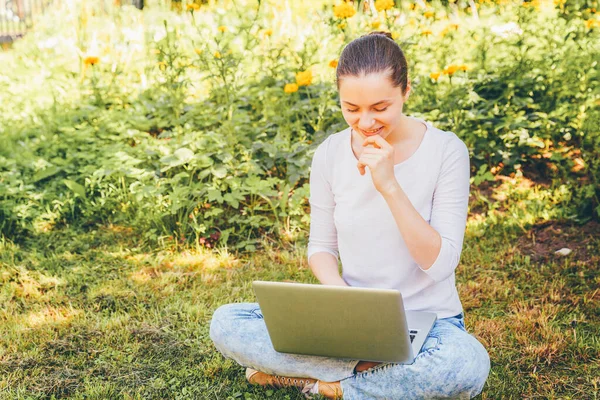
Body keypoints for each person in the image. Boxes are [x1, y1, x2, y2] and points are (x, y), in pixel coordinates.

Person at [209, 31, 491, 399]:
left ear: (406, 91)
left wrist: (389, 185)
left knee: (465, 362)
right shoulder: (329, 154)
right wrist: (343, 303)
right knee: (227, 322)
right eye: (351, 109)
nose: (365, 123)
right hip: (350, 320)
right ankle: (374, 378)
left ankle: (328, 384)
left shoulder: (446, 151)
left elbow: (439, 265)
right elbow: (321, 248)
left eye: (380, 108)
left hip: (427, 324)